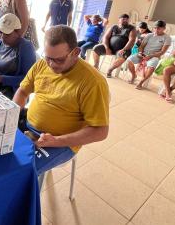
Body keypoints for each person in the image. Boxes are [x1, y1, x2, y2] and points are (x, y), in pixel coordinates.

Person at [13, 25, 109, 174]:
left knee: (21, 171)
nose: (51, 64)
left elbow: (100, 131)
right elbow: (23, 91)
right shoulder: (42, 64)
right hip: (28, 125)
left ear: (76, 52)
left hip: (62, 140)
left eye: (58, 60)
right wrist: (12, 113)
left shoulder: (93, 82)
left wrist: (56, 141)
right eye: (48, 57)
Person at [0, 13, 36, 98]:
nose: (2, 36)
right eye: (1, 32)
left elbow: (28, 79)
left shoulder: (26, 47)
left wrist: (2, 79)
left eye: (7, 34)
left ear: (17, 32)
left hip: (12, 92)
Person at [126, 20, 171, 89]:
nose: (156, 30)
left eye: (159, 28)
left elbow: (162, 52)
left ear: (164, 29)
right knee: (129, 61)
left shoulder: (167, 38)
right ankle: (133, 75)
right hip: (143, 54)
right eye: (155, 28)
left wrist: (150, 56)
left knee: (151, 67)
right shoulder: (149, 35)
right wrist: (140, 53)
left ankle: (141, 82)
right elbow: (141, 47)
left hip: (154, 56)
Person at [92, 13, 136, 77]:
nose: (125, 20)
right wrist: (107, 48)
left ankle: (110, 70)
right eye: (123, 19)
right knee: (96, 48)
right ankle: (96, 65)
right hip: (109, 47)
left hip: (122, 49)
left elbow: (132, 40)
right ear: (119, 20)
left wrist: (123, 49)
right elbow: (105, 37)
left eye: (127, 19)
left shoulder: (131, 28)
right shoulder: (114, 27)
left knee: (123, 55)